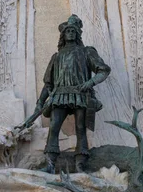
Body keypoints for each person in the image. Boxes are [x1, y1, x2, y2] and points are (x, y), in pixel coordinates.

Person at [35, 14, 111, 173]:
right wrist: (40, 103)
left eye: (73, 31)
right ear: (63, 35)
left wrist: (90, 83)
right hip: (60, 95)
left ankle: (80, 164)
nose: (70, 33)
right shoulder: (56, 57)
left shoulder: (86, 52)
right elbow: (48, 83)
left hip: (80, 94)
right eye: (68, 31)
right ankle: (50, 164)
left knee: (80, 128)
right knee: (53, 128)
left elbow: (103, 70)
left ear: (77, 34)